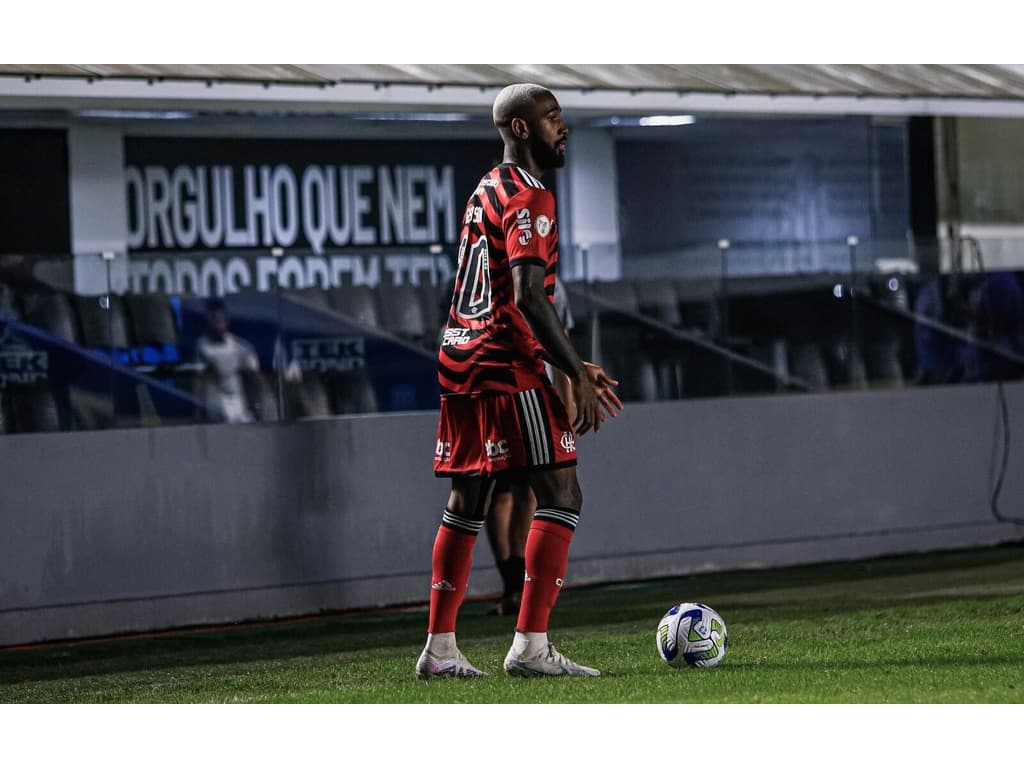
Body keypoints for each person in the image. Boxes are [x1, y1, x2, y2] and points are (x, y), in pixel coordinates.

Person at [416, 83, 623, 679]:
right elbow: (530, 296)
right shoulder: (531, 196)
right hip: (506, 363)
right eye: (552, 118)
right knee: (561, 493)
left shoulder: (485, 188)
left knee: (468, 500)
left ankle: (440, 649)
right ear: (522, 128)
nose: (564, 127)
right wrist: (574, 371)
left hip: (458, 355)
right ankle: (530, 647)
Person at [486, 279, 575, 617]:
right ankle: (512, 583)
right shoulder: (484, 273)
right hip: (499, 391)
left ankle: (519, 585)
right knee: (499, 491)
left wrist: (566, 396)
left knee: (528, 490)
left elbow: (559, 336)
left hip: (533, 392)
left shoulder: (552, 281)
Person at [196, 297, 260, 423]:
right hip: (216, 405)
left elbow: (254, 375)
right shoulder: (202, 347)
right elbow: (199, 383)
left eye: (222, 319)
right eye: (214, 319)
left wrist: (256, 407)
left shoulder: (238, 346)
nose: (219, 323)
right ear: (208, 320)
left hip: (238, 404)